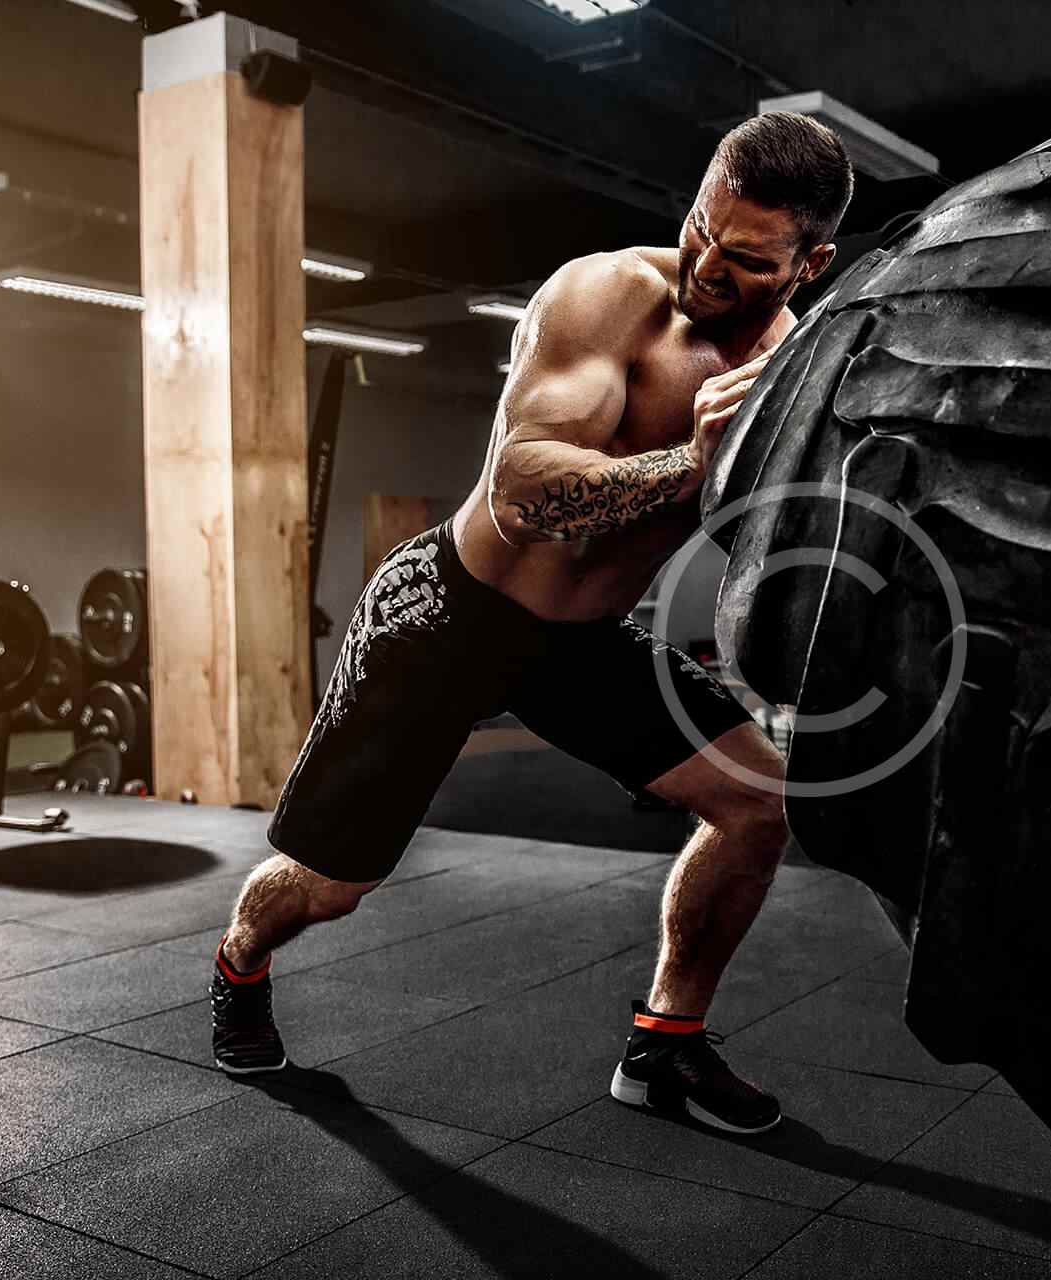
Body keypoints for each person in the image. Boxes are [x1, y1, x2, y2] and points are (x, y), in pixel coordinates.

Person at [208, 112, 852, 1136]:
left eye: (746, 258)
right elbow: (521, 493)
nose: (706, 265)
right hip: (449, 610)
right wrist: (691, 461)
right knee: (329, 886)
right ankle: (240, 959)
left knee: (757, 803)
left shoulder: (791, 370)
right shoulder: (606, 296)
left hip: (579, 643)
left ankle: (665, 1044)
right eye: (701, 227)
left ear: (809, 264)